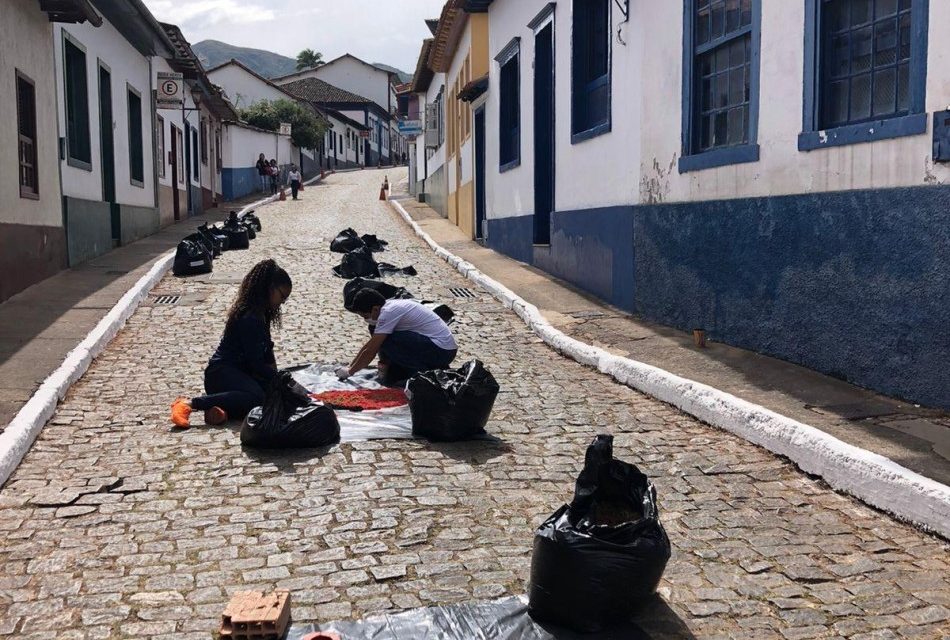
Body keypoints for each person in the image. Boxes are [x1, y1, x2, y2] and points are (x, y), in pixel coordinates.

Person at [170, 260, 292, 428]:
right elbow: (256, 363)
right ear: (269, 288)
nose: (282, 302)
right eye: (282, 296)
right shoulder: (249, 318)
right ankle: (189, 404)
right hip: (221, 374)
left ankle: (219, 409)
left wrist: (277, 381)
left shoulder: (262, 315)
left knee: (273, 397)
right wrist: (280, 379)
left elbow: (267, 352)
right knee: (257, 398)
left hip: (241, 379)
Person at [338, 289, 457, 385]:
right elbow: (370, 344)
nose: (365, 319)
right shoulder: (388, 307)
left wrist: (350, 372)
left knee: (387, 341)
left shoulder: (388, 313)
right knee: (378, 334)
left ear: (375, 308)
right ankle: (400, 371)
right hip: (437, 348)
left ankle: (421, 375)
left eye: (365, 315)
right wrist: (350, 366)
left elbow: (372, 350)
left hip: (442, 351)